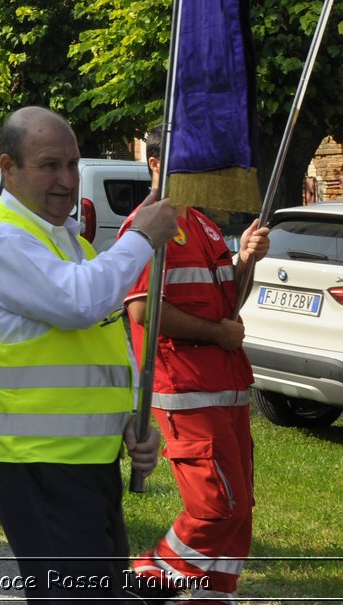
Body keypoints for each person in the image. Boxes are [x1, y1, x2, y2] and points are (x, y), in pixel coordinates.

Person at [0, 106, 177, 600]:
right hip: (34, 459)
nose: (67, 180)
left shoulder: (71, 245)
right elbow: (80, 303)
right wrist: (140, 236)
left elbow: (102, 342)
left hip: (83, 458)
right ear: (7, 168)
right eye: (49, 165)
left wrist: (132, 421)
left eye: (73, 165)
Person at [125, 125, 269, 602]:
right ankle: (147, 579)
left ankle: (213, 595)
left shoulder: (203, 224)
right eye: (188, 165)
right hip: (184, 389)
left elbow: (230, 302)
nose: (199, 175)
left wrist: (245, 261)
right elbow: (143, 309)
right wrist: (217, 334)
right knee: (216, 509)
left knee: (239, 511)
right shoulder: (149, 223)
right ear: (155, 166)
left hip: (225, 388)